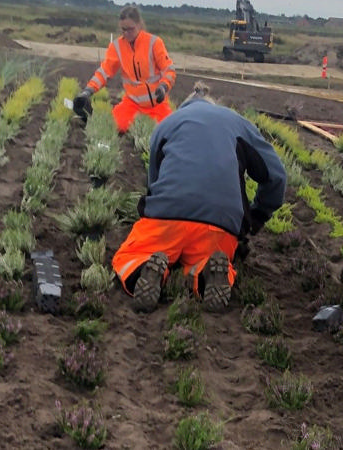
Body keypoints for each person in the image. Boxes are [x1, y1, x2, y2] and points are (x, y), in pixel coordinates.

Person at [112, 82, 287, 313]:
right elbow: (276, 176)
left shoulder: (168, 124)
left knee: (132, 254)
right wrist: (258, 214)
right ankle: (205, 274)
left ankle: (144, 267)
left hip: (167, 219)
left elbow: (153, 184)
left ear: (185, 106)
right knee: (208, 258)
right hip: (219, 225)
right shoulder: (238, 123)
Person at [73, 6, 176, 133]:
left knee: (169, 131)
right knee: (113, 126)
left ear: (139, 24)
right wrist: (88, 91)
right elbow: (104, 72)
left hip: (157, 103)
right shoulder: (117, 47)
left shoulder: (154, 43)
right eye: (123, 29)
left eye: (130, 29)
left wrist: (164, 86)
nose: (126, 33)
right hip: (132, 103)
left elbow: (169, 70)